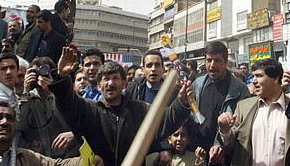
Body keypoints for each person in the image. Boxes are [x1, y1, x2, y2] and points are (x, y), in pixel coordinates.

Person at [51, 47, 194, 166]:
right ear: (99, 86)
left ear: (124, 84)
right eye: (106, 79)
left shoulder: (140, 110)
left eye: (115, 78)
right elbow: (67, 103)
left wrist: (182, 102)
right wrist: (62, 76)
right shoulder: (89, 109)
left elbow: (166, 120)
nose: (110, 83)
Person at [0, 88, 101, 165]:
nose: (4, 122)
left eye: (10, 118)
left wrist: (87, 162)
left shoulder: (27, 158)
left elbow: (58, 165)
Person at [217, 58, 290, 165]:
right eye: (253, 76)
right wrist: (225, 131)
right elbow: (233, 147)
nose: (254, 81)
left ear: (276, 78)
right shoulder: (244, 107)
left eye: (259, 76)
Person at [188, 41, 250, 164]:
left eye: (217, 60)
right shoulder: (198, 84)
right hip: (197, 153)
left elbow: (243, 128)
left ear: (226, 63)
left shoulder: (240, 89)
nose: (212, 65)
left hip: (225, 156)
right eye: (209, 60)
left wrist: (221, 145)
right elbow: (191, 116)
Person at [19, 57, 78, 158]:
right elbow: (20, 124)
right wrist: (25, 92)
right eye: (36, 73)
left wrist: (51, 91)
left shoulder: (63, 97)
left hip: (64, 155)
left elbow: (74, 122)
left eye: (43, 73)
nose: (39, 78)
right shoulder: (26, 98)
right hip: (36, 156)